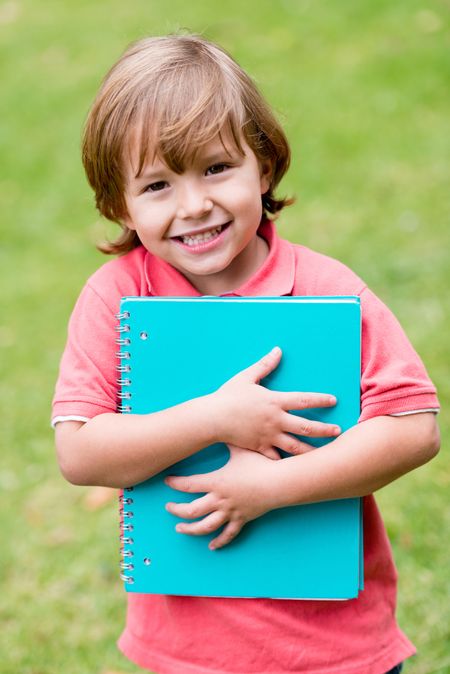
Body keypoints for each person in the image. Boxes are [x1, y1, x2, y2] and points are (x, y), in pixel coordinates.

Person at [52, 34, 440, 674]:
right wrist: (216, 418)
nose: (194, 204)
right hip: (188, 650)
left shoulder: (327, 291)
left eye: (215, 168)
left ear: (262, 165)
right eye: (157, 185)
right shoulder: (118, 297)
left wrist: (273, 487)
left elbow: (414, 428)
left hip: (334, 648)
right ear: (118, 202)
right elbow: (79, 451)